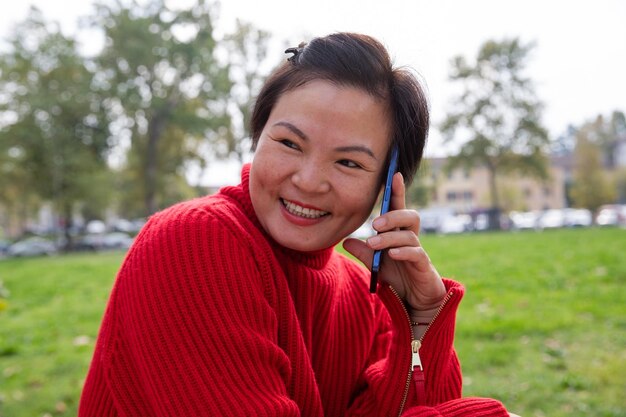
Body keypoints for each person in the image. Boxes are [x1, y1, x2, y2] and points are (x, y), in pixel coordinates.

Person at [79, 32, 513, 416]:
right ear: (258, 135)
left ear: (386, 187)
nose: (307, 181)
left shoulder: (366, 296)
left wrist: (420, 320)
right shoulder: (191, 243)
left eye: (348, 162)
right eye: (289, 143)